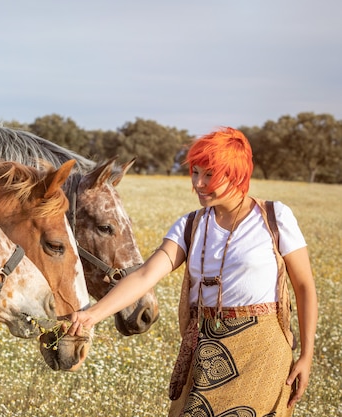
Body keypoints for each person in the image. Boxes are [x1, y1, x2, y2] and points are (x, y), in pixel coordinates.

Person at [66, 127, 317, 416]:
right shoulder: (190, 226)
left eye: (209, 175)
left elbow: (305, 288)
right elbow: (146, 275)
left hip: (263, 354)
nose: (198, 183)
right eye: (195, 173)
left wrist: (307, 355)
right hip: (207, 352)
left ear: (236, 174)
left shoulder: (274, 217)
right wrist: (92, 315)